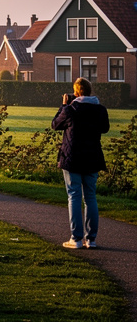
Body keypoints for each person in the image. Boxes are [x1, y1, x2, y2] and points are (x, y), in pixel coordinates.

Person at [53, 78, 110, 249]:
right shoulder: (100, 110)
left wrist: (64, 105)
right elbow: (105, 128)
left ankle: (76, 239)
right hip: (92, 158)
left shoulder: (71, 109)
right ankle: (91, 239)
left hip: (73, 159)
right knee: (91, 197)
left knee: (74, 197)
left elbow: (55, 124)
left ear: (76, 93)